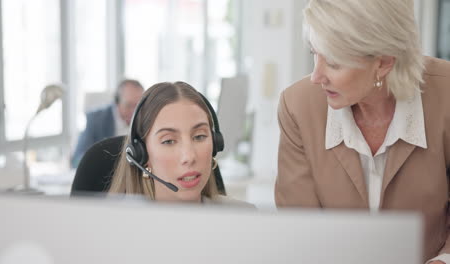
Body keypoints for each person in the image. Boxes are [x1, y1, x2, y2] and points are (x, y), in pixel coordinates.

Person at [274, 0, 450, 263]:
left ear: (384, 62)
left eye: (333, 62)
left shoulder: (445, 96)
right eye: (314, 52)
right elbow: (298, 229)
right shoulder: (297, 106)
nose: (316, 76)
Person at [109, 81, 253, 207]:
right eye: (169, 141)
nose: (189, 157)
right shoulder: (116, 229)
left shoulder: (244, 219)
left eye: (199, 136)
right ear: (141, 154)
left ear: (215, 143)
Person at [72, 79, 144, 167]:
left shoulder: (146, 118)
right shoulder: (95, 120)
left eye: (138, 105)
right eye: (128, 106)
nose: (134, 112)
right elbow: (77, 159)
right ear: (117, 102)